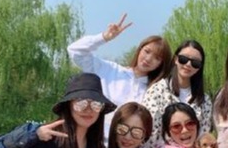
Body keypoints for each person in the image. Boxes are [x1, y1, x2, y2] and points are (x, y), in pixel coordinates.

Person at [67, 13, 173, 141]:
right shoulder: (110, 70)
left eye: (157, 58)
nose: (148, 58)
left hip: (128, 146)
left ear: (161, 64)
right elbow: (75, 51)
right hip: (96, 142)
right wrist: (104, 37)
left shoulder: (154, 91)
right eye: (147, 51)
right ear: (139, 49)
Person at [142, 40, 213, 148]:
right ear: (176, 59)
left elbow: (203, 135)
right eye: (183, 59)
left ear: (200, 67)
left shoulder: (204, 100)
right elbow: (151, 133)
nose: (188, 64)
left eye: (195, 63)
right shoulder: (157, 91)